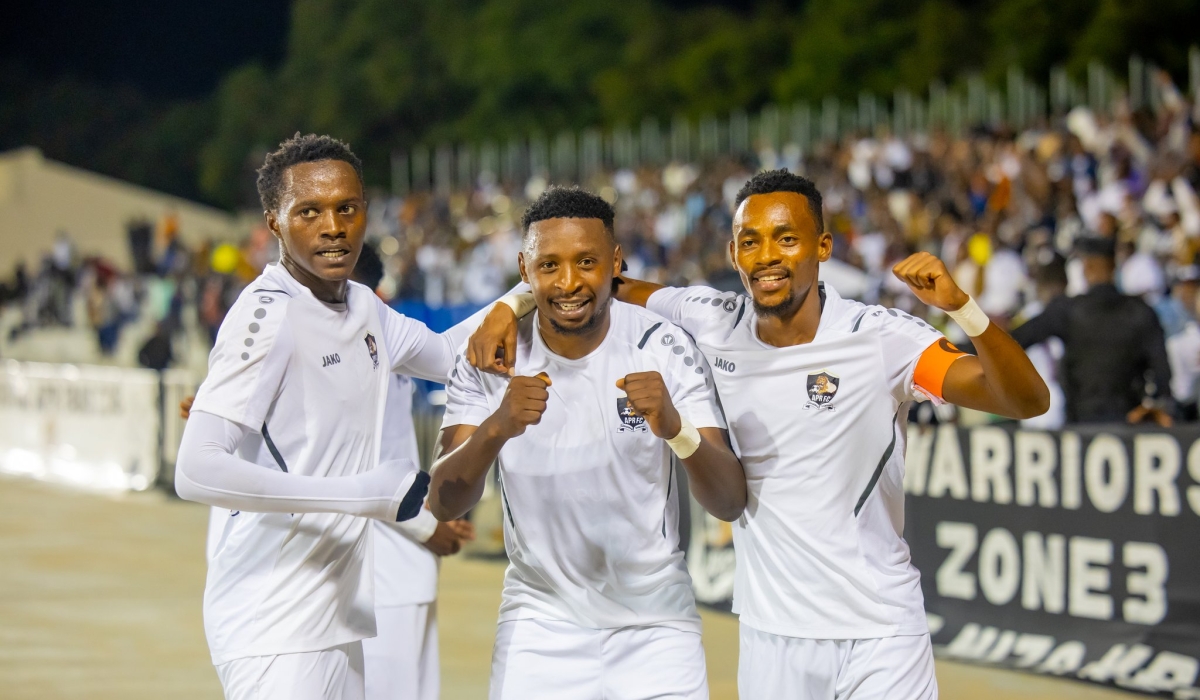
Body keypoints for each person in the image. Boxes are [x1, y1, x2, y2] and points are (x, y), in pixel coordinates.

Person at [469, 170, 1049, 699]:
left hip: (879, 633)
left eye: (786, 238)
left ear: (822, 246)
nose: (767, 256)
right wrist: (508, 304)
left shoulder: (879, 338)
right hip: (771, 639)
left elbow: (1026, 399)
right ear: (734, 252)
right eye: (751, 241)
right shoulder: (710, 317)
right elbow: (595, 283)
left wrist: (964, 311)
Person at [175, 133, 478, 700]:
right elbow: (194, 471)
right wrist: (365, 494)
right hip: (271, 620)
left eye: (348, 208)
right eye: (309, 211)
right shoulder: (266, 315)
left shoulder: (365, 307)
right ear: (274, 222)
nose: (333, 226)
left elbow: (458, 358)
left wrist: (530, 291)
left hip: (335, 613)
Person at [429, 187, 746, 700]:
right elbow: (442, 502)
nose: (569, 282)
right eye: (549, 265)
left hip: (657, 626)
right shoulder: (490, 356)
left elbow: (729, 502)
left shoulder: (662, 345)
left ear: (615, 262)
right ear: (524, 271)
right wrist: (495, 429)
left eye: (587, 262)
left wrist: (674, 428)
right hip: (539, 626)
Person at [1012, 236, 1174, 425]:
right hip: (1129, 423)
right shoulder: (1141, 312)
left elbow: (1013, 341)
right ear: (1114, 267)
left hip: (1081, 423)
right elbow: (1163, 374)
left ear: (1086, 268)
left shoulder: (1068, 311)